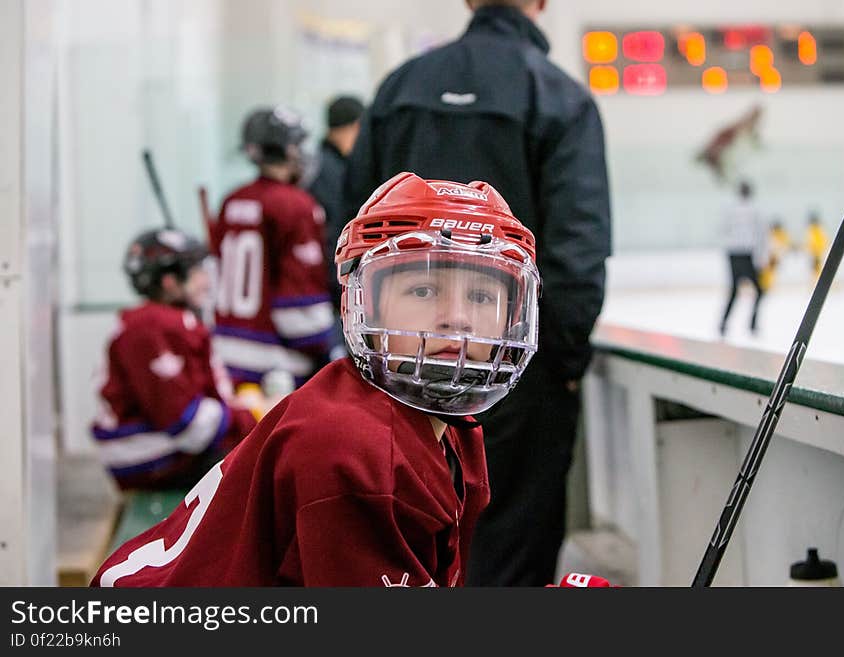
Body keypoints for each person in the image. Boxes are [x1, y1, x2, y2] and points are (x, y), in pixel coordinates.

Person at [91, 174, 542, 587]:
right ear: (363, 303)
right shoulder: (354, 451)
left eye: (482, 295)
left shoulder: (456, 434)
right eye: (423, 290)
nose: (458, 319)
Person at [343, 0, 612, 587]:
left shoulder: (399, 90)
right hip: (513, 369)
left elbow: (347, 233)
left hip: (397, 365)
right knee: (511, 552)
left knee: (400, 552)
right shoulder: (559, 97)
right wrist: (555, 365)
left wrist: (369, 349)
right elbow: (578, 253)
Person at [92, 228, 257, 490]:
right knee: (262, 464)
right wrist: (252, 417)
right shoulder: (153, 326)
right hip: (146, 457)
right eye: (197, 271)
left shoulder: (162, 321)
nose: (206, 280)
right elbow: (186, 423)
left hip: (148, 450)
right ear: (169, 281)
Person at [212, 106, 335, 389]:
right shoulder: (297, 204)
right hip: (275, 366)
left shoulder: (232, 199)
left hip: (226, 356)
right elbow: (299, 310)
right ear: (288, 150)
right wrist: (330, 344)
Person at [306, 94, 365, 358]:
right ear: (355, 127)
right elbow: (333, 234)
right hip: (323, 289)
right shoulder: (331, 173)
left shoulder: (320, 165)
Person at [719, 180, 768, 336]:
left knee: (734, 291)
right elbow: (761, 235)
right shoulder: (755, 210)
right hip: (746, 254)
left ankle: (723, 323)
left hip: (733, 253)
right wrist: (761, 258)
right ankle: (752, 324)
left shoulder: (730, 209)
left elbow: (723, 230)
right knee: (759, 291)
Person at [757, 219, 791, 291]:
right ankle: (766, 285)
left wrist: (776, 256)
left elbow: (781, 247)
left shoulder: (779, 235)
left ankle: (766, 285)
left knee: (768, 272)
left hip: (773, 256)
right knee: (767, 272)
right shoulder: (776, 234)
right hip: (771, 256)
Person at [805, 211, 829, 279]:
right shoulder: (818, 229)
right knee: (816, 269)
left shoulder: (814, 229)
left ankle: (819, 281)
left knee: (817, 269)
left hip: (816, 252)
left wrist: (814, 251)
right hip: (817, 252)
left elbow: (813, 241)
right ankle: (818, 280)